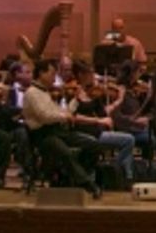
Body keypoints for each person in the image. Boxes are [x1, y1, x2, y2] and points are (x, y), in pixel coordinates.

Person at [22, 58, 102, 197]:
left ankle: (74, 179)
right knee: (65, 153)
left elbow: (61, 112)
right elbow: (45, 116)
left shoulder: (45, 92)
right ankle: (88, 184)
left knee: (93, 144)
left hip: (57, 131)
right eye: (52, 74)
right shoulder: (31, 93)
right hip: (42, 136)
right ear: (41, 73)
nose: (54, 78)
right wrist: (64, 117)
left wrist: (76, 100)